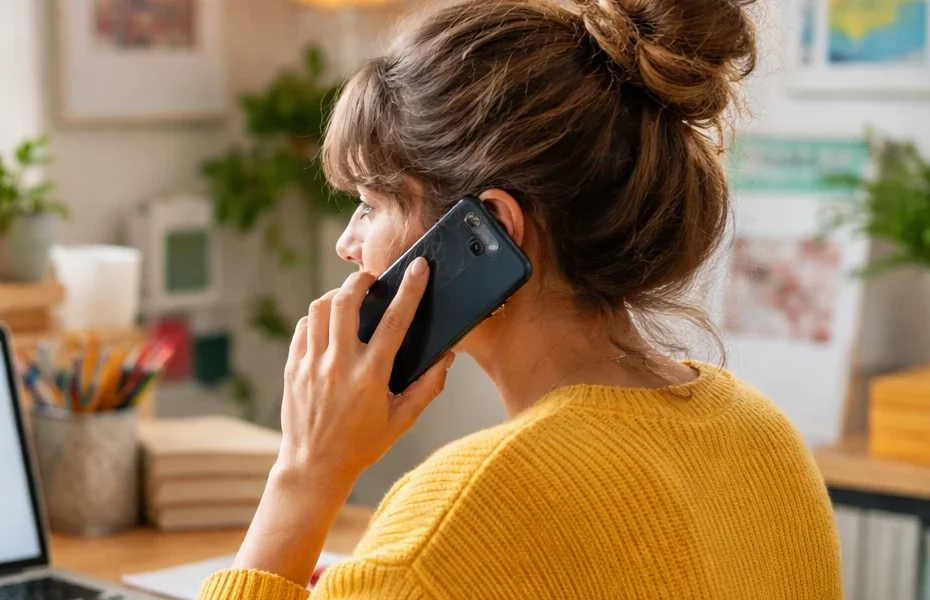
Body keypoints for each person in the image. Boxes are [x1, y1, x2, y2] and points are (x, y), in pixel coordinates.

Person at [199, 0, 842, 597]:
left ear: (492, 230)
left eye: (370, 204)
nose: (348, 244)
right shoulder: (766, 439)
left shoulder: (464, 515)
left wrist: (306, 473)